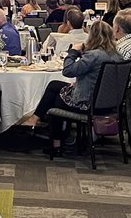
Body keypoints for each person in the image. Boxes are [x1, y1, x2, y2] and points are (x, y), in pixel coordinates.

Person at [29, 20, 122, 150]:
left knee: (53, 100)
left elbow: (68, 71)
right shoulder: (117, 56)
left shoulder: (94, 56)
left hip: (87, 104)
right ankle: (43, 125)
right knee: (54, 85)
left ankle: (54, 140)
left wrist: (72, 52)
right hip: (109, 104)